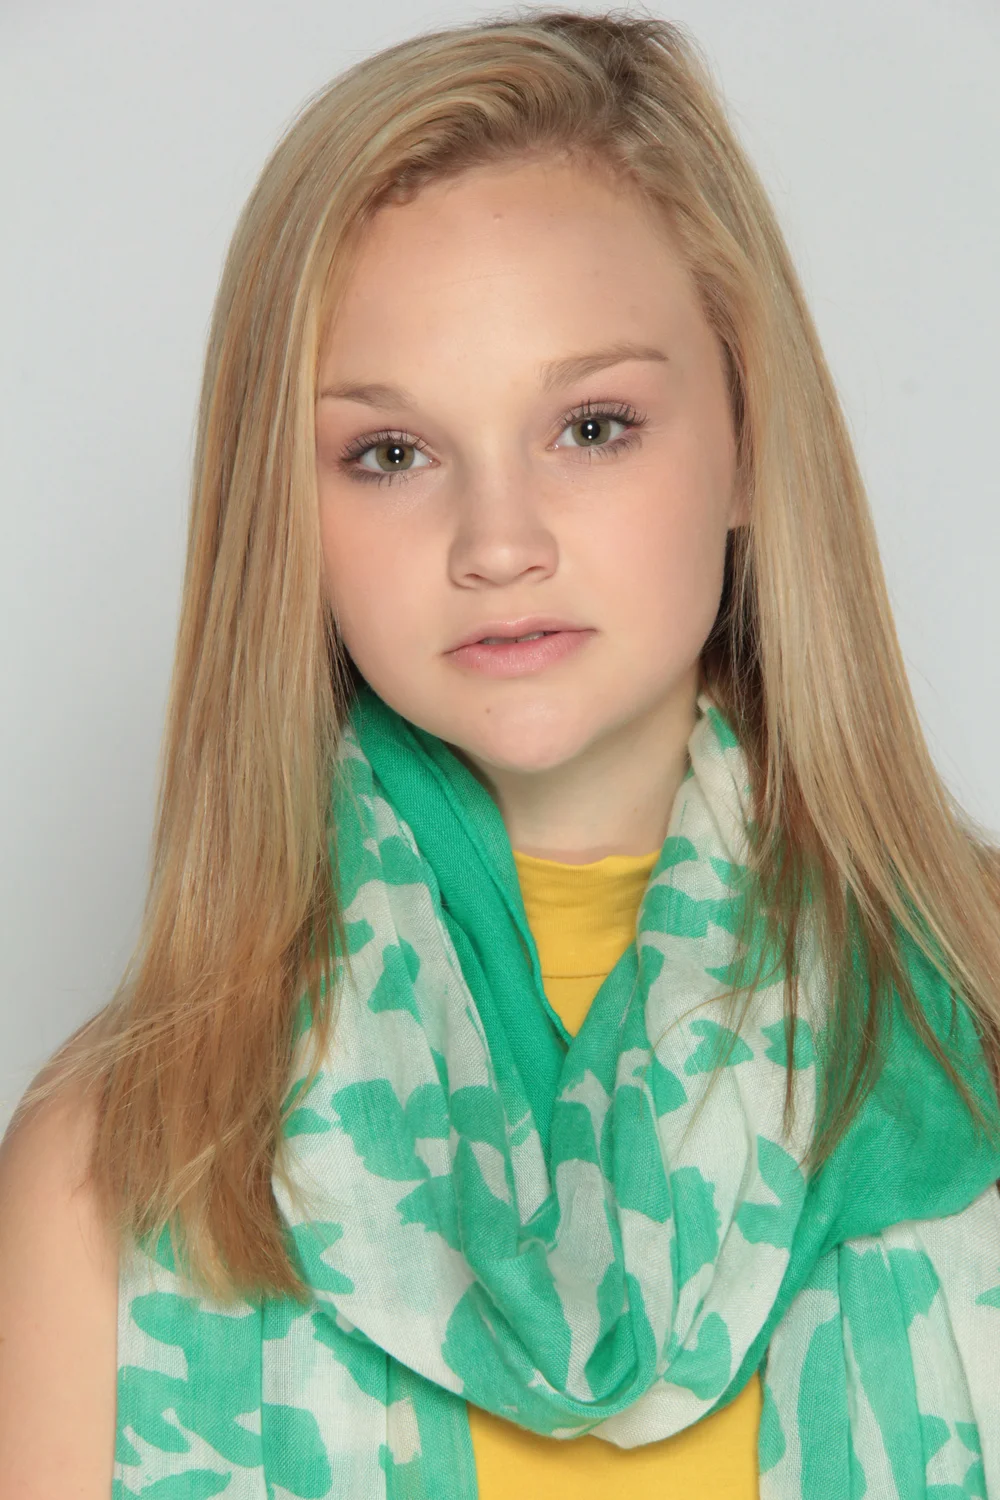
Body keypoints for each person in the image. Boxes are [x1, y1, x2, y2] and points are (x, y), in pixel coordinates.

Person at [3, 10, 1000, 1499]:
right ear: (289, 514)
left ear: (747, 433)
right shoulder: (111, 1173)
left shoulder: (981, 1026)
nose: (498, 541)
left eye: (591, 426)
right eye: (391, 454)